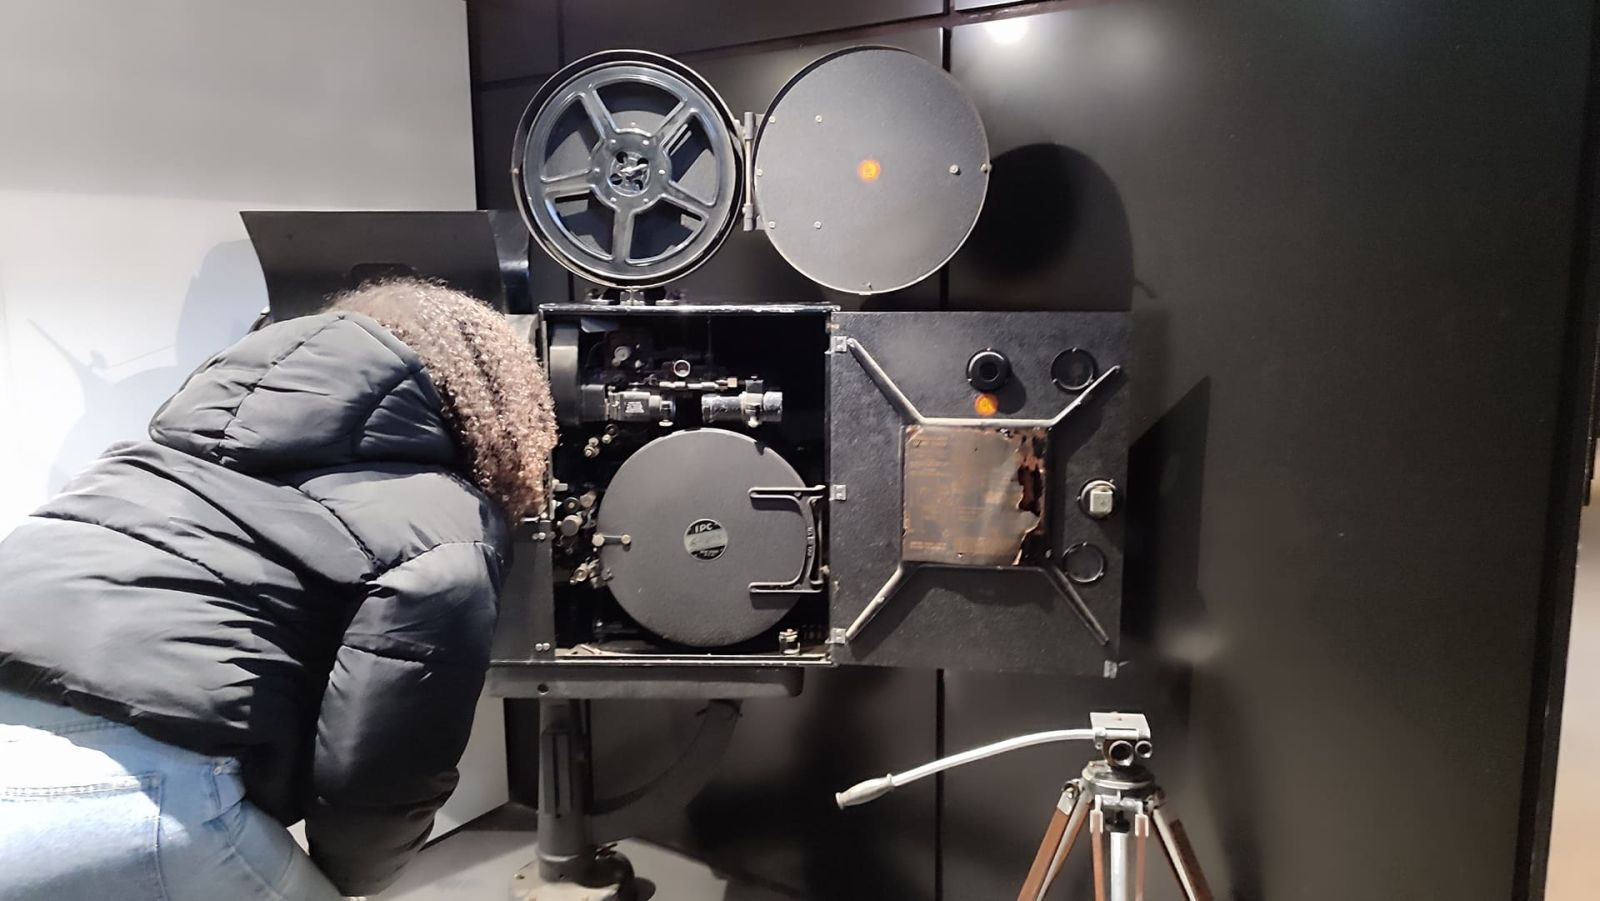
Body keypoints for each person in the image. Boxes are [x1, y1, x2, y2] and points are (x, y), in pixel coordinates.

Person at [0, 278, 557, 900]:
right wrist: (353, 881)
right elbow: (381, 777)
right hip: (125, 795)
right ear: (488, 399)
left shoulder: (135, 461)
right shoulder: (443, 527)